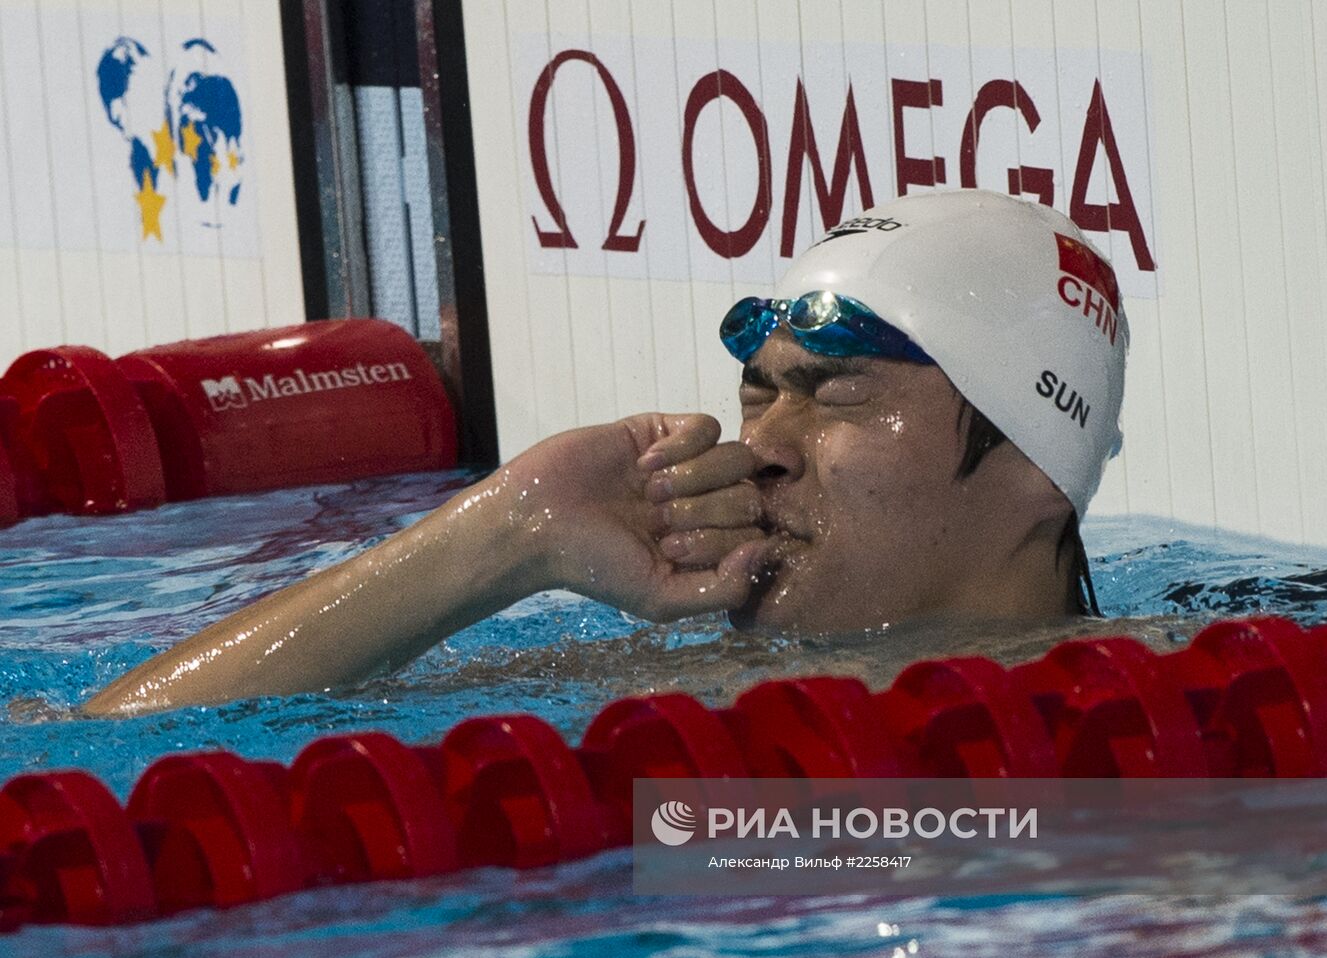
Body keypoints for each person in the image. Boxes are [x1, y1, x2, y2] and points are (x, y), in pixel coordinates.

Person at [83, 189, 1129, 717]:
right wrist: (505, 534)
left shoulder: (1198, 708)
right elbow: (112, 752)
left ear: (1033, 460)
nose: (762, 447)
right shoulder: (662, 696)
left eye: (836, 392)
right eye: (756, 393)